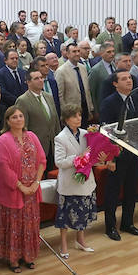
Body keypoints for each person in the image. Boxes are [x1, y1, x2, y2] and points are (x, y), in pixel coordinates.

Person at [0, 106, 44, 273]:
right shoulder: (3, 140)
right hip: (14, 191)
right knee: (14, 225)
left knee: (30, 224)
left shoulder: (32, 136)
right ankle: (13, 259)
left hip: (32, 191)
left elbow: (43, 160)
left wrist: (36, 183)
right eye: (14, 117)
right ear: (8, 121)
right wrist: (21, 186)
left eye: (21, 116)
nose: (19, 119)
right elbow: (3, 168)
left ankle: (28, 256)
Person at [97, 70, 138, 239]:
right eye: (124, 79)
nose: (129, 81)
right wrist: (109, 157)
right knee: (113, 192)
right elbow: (105, 131)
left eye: (130, 78)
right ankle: (110, 226)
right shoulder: (109, 103)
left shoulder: (137, 99)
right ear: (115, 84)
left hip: (134, 152)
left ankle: (128, 223)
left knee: (132, 190)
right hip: (117, 155)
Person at [53, 105, 97, 258]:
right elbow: (59, 162)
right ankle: (63, 244)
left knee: (83, 213)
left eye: (79, 115)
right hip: (70, 183)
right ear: (66, 120)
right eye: (74, 116)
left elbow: (92, 156)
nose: (78, 118)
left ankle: (80, 240)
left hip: (85, 181)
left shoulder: (86, 134)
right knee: (65, 216)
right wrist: (79, 158)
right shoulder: (60, 138)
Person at [13, 70, 60, 156]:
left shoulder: (48, 97)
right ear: (28, 82)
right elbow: (22, 127)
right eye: (36, 78)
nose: (40, 80)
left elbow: (56, 121)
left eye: (41, 78)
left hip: (53, 146)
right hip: (35, 147)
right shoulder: (23, 100)